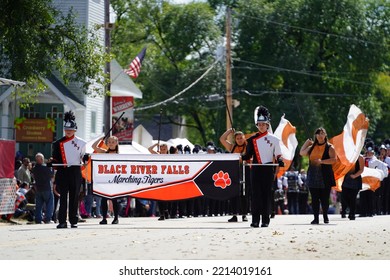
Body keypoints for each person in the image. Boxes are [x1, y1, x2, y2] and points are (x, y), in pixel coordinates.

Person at [241, 105, 284, 228]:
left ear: (267, 125)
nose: (261, 126)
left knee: (266, 195)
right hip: (256, 169)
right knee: (255, 196)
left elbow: (278, 155)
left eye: (263, 124)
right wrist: (241, 157)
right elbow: (248, 155)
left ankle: (265, 220)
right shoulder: (251, 140)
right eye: (259, 124)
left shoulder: (274, 139)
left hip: (268, 169)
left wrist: (280, 161)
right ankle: (255, 220)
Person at [51, 111, 87, 229]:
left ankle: (73, 220)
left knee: (74, 197)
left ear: (75, 130)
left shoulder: (81, 143)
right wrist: (53, 163)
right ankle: (62, 221)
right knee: (63, 197)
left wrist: (86, 158)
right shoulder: (57, 143)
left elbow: (83, 158)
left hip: (75, 171)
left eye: (71, 129)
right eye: (66, 129)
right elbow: (55, 160)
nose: (68, 131)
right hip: (63, 171)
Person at [299, 127, 336, 224]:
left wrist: (322, 161)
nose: (320, 135)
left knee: (324, 198)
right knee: (315, 198)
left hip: (325, 176)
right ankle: (316, 218)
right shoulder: (312, 147)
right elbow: (301, 152)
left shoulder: (330, 147)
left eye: (322, 133)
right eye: (318, 133)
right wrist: (307, 143)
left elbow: (334, 160)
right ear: (315, 135)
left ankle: (325, 216)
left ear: (325, 135)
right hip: (313, 175)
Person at [219, 128, 248, 222]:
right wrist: (229, 131)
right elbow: (222, 139)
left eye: (241, 138)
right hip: (234, 171)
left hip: (245, 170)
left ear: (244, 138)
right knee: (233, 193)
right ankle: (234, 215)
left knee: (244, 193)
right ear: (235, 140)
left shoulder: (249, 146)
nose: (239, 140)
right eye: (237, 138)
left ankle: (244, 214)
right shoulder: (232, 147)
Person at [92, 136, 121, 225]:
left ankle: (116, 217)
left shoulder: (120, 155)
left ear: (116, 143)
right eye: (109, 142)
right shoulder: (104, 152)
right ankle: (104, 218)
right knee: (104, 199)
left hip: (115, 179)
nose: (111, 144)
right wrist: (101, 138)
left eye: (113, 142)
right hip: (105, 178)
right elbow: (94, 146)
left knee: (114, 199)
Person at [31, 153, 54, 224]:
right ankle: (47, 219)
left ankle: (38, 219)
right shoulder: (45, 167)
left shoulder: (34, 169)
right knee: (49, 204)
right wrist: (50, 164)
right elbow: (51, 174)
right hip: (46, 188)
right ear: (41, 159)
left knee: (39, 205)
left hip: (38, 188)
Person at [340, 154, 364, 220]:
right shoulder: (347, 155)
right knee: (344, 196)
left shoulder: (360, 157)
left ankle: (352, 214)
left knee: (353, 198)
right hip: (346, 180)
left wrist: (355, 175)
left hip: (355, 180)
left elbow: (361, 169)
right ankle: (352, 209)